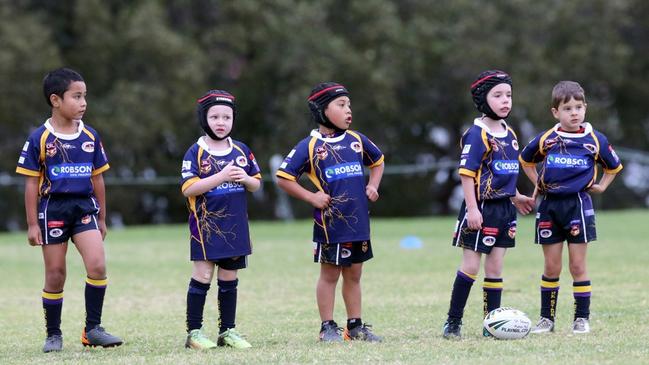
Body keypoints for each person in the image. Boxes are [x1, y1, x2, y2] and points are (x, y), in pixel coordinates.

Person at [15, 67, 122, 352]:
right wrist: (32, 224)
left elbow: (97, 178)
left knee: (98, 265)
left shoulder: (90, 135)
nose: (83, 102)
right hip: (53, 210)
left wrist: (101, 217)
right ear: (55, 100)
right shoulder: (39, 138)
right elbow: (30, 184)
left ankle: (93, 329)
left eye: (85, 96)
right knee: (55, 274)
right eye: (76, 96)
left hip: (84, 208)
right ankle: (53, 334)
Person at [276, 82, 385, 342]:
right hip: (331, 224)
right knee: (330, 275)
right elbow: (283, 177)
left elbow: (378, 162)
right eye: (342, 105)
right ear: (322, 110)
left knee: (355, 274)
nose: (349, 111)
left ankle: (355, 326)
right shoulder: (309, 146)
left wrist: (373, 184)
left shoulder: (357, 140)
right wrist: (311, 196)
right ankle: (327, 327)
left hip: (359, 222)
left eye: (349, 105)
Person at [519, 81, 623, 334]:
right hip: (550, 206)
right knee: (551, 267)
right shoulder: (547, 138)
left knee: (577, 266)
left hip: (578, 206)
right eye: (567, 108)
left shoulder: (595, 139)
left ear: (585, 108)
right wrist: (538, 183)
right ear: (556, 112)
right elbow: (525, 160)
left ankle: (581, 318)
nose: (574, 112)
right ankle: (547, 319)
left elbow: (614, 166)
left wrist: (602, 186)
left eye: (578, 107)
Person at [442, 70, 535, 339]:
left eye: (508, 95)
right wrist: (472, 208)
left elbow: (503, 172)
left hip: (505, 210)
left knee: (495, 269)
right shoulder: (476, 134)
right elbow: (467, 174)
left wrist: (515, 196)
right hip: (481, 209)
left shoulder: (510, 133)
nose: (505, 100)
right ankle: (453, 322)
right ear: (483, 100)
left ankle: (490, 324)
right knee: (471, 267)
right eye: (498, 95)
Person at [181, 90, 261, 349]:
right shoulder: (195, 152)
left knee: (229, 279)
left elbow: (256, 184)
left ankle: (227, 331)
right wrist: (222, 176)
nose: (221, 122)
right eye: (214, 116)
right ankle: (194, 333)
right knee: (203, 275)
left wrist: (245, 179)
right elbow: (188, 188)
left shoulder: (241, 150)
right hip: (206, 226)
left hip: (236, 226)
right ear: (204, 119)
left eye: (227, 117)